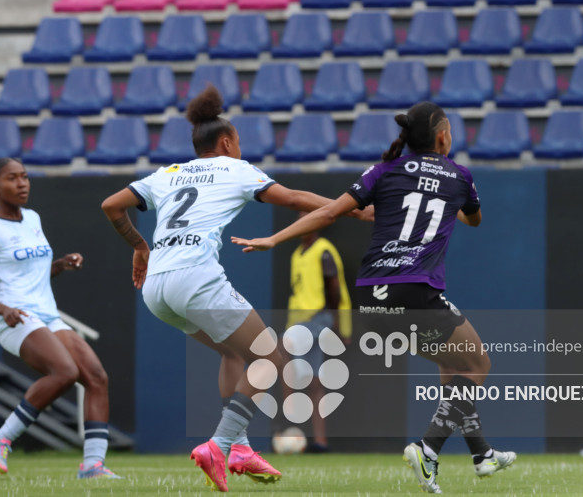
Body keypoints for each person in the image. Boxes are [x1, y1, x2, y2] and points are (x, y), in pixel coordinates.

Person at [232, 101, 516, 493]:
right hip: (414, 291)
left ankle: (481, 454)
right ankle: (428, 449)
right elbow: (475, 218)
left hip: (372, 299)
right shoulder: (459, 178)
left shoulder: (383, 172)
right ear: (442, 135)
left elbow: (332, 212)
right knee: (478, 363)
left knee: (454, 365)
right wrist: (451, 205)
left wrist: (274, 238)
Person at [101, 85, 369, 492]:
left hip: (156, 289)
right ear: (226, 142)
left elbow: (110, 205)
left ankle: (240, 448)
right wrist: (350, 206)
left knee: (233, 354)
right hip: (196, 278)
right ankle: (221, 443)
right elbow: (295, 198)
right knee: (272, 357)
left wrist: (140, 246)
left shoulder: (166, 174)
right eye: (239, 142)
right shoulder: (237, 169)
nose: (240, 149)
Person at [0, 158, 120, 479]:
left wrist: (61, 264)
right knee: (64, 372)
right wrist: (2, 310)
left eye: (25, 177)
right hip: (15, 319)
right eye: (12, 178)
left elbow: (34, 274)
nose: (22, 184)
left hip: (47, 314)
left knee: (96, 377)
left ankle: (93, 466)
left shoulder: (33, 218)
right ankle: (0, 438)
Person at [282, 212, 352, 452]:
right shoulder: (296, 255)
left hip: (317, 317)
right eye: (299, 220)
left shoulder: (323, 250)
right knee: (314, 382)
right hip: (299, 320)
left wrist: (339, 324)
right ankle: (320, 441)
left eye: (308, 220)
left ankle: (288, 417)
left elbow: (335, 288)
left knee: (285, 350)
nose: (303, 225)